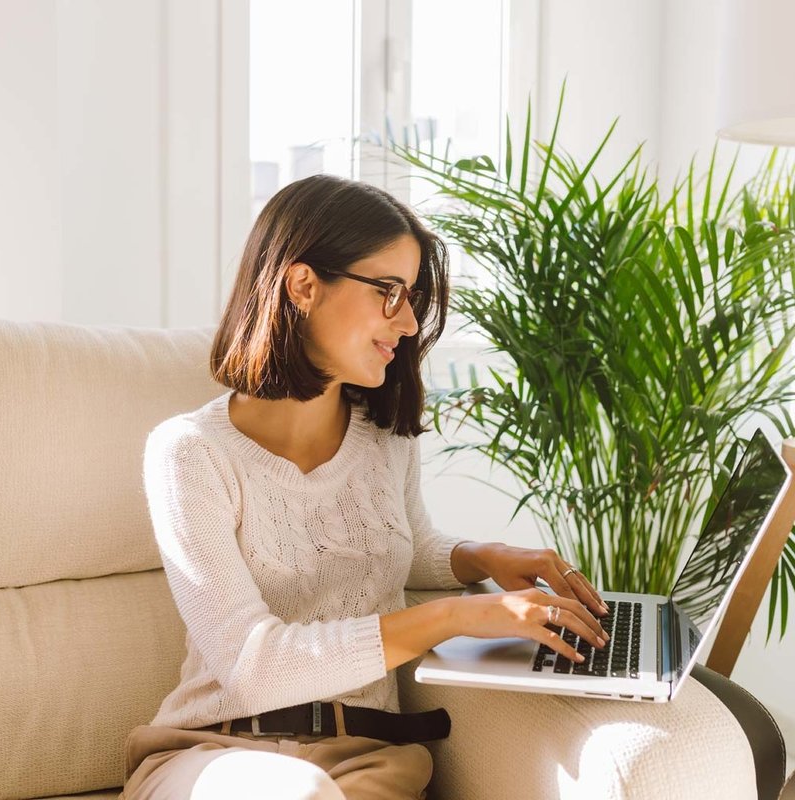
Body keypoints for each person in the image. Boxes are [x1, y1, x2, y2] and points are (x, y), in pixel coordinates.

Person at [120, 174, 613, 800]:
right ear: (303, 284)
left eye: (410, 297)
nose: (407, 322)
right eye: (388, 291)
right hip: (215, 753)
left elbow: (402, 547)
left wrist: (481, 557)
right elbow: (254, 670)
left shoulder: (385, 437)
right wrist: (457, 616)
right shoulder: (189, 454)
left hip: (367, 758)